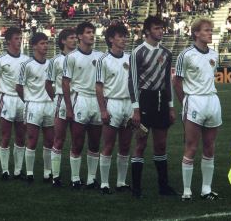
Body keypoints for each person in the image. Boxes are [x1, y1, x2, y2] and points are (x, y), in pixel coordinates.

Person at [128, 16, 176, 198]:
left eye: (161, 28)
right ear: (147, 31)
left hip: (161, 99)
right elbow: (132, 82)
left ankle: (163, 187)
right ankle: (136, 189)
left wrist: (171, 106)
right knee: (140, 143)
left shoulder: (166, 53)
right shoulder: (138, 52)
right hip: (145, 99)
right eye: (156, 28)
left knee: (161, 144)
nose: (160, 31)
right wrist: (135, 109)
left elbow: (167, 82)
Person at [174, 18, 221, 201]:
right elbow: (176, 81)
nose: (210, 33)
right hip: (194, 101)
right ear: (196, 33)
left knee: (210, 146)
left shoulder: (214, 54)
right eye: (206, 30)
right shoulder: (185, 55)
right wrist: (185, 101)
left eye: (211, 30)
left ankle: (206, 189)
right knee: (191, 147)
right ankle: (187, 190)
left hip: (212, 101)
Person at [62, 22, 103, 189]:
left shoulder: (100, 56)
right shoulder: (71, 58)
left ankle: (92, 179)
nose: (92, 35)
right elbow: (65, 84)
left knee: (94, 143)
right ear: (80, 36)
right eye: (88, 32)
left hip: (96, 101)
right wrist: (69, 108)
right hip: (80, 100)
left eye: (93, 32)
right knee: (77, 142)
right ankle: (75, 178)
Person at [96, 23, 132, 194]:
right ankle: (104, 182)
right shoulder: (103, 60)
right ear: (111, 39)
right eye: (120, 36)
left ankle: (121, 182)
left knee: (125, 145)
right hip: (113, 104)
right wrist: (103, 110)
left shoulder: (130, 58)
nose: (124, 39)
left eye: (125, 36)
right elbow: (98, 87)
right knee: (108, 144)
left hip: (128, 104)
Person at [0, 27, 30, 180]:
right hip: (7, 99)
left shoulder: (27, 60)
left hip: (22, 100)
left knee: (21, 136)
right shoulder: (0, 60)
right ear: (8, 41)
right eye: (16, 38)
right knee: (6, 136)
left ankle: (18, 170)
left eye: (20, 38)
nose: (19, 41)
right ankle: (5, 170)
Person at [16, 32, 54, 183]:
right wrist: (28, 101)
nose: (45, 46)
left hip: (49, 105)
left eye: (47, 43)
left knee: (49, 140)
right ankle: (30, 173)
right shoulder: (27, 65)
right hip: (33, 105)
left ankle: (47, 172)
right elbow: (19, 86)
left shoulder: (51, 63)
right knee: (31, 139)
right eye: (42, 43)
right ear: (34, 46)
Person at [46, 28, 77, 186]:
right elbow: (48, 84)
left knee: (77, 140)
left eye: (75, 37)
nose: (74, 40)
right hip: (61, 100)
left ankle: (75, 177)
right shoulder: (55, 61)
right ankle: (55, 176)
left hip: (78, 100)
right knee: (59, 139)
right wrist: (56, 98)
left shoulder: (80, 57)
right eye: (71, 38)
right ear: (63, 41)